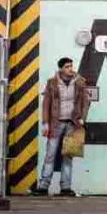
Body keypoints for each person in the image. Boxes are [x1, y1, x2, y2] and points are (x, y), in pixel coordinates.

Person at [32, 57, 91, 197]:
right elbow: (46, 104)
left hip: (72, 124)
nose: (70, 69)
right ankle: (43, 186)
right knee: (50, 155)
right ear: (60, 68)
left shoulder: (80, 82)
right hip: (55, 124)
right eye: (67, 66)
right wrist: (46, 123)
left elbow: (85, 102)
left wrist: (82, 118)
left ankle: (65, 188)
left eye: (71, 66)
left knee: (68, 155)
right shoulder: (52, 83)